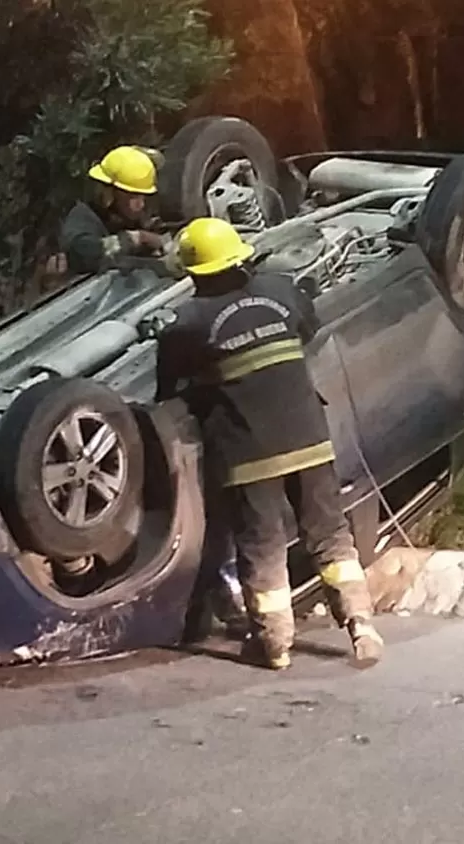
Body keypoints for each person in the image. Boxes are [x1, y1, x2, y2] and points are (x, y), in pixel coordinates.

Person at [153, 217, 385, 671]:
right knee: (329, 533)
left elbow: (169, 393)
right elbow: (308, 328)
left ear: (194, 273)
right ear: (240, 256)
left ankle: (274, 645)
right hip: (309, 437)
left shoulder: (186, 325)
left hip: (246, 453)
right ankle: (361, 625)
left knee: (262, 545)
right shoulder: (282, 291)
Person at [59, 145, 169, 276]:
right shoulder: (83, 218)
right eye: (132, 195)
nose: (140, 204)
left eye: (143, 196)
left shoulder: (130, 218)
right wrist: (137, 238)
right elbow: (83, 254)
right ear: (108, 193)